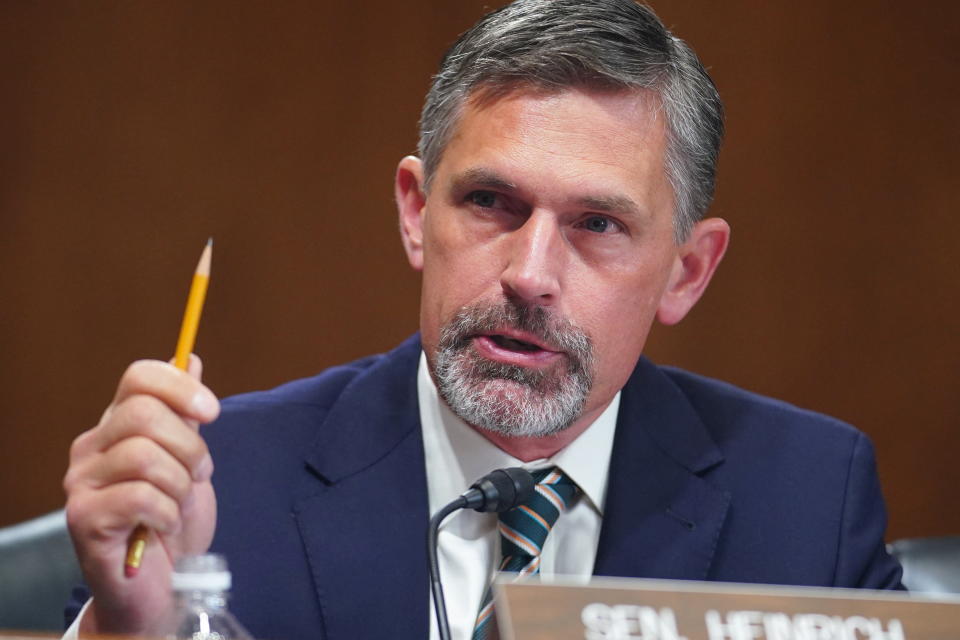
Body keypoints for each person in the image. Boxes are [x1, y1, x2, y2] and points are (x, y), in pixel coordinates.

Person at [62, 0, 904, 639]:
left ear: (686, 272)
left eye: (598, 224)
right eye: (491, 202)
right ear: (414, 211)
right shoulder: (220, 483)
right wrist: (130, 628)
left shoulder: (806, 501)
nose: (531, 276)